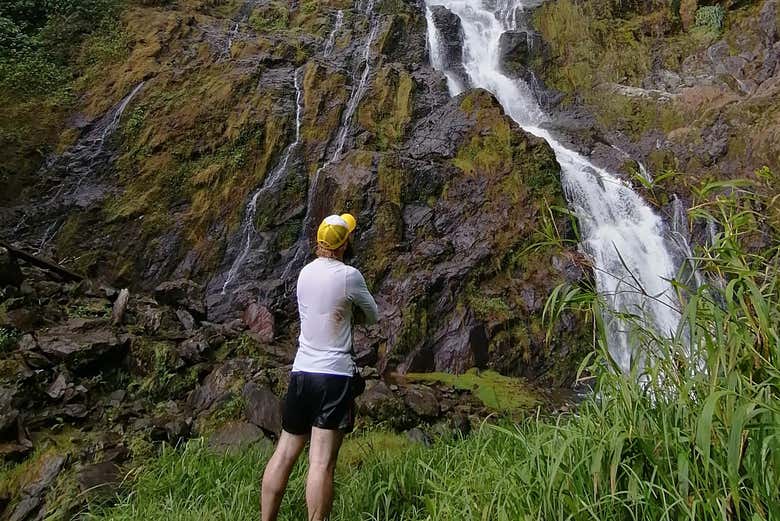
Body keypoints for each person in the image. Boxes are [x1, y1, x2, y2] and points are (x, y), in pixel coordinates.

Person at [261, 213, 379, 521]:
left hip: (301, 373)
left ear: (319, 242)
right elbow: (373, 314)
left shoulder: (303, 274)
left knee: (285, 452)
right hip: (334, 377)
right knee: (320, 463)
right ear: (344, 244)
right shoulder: (349, 276)